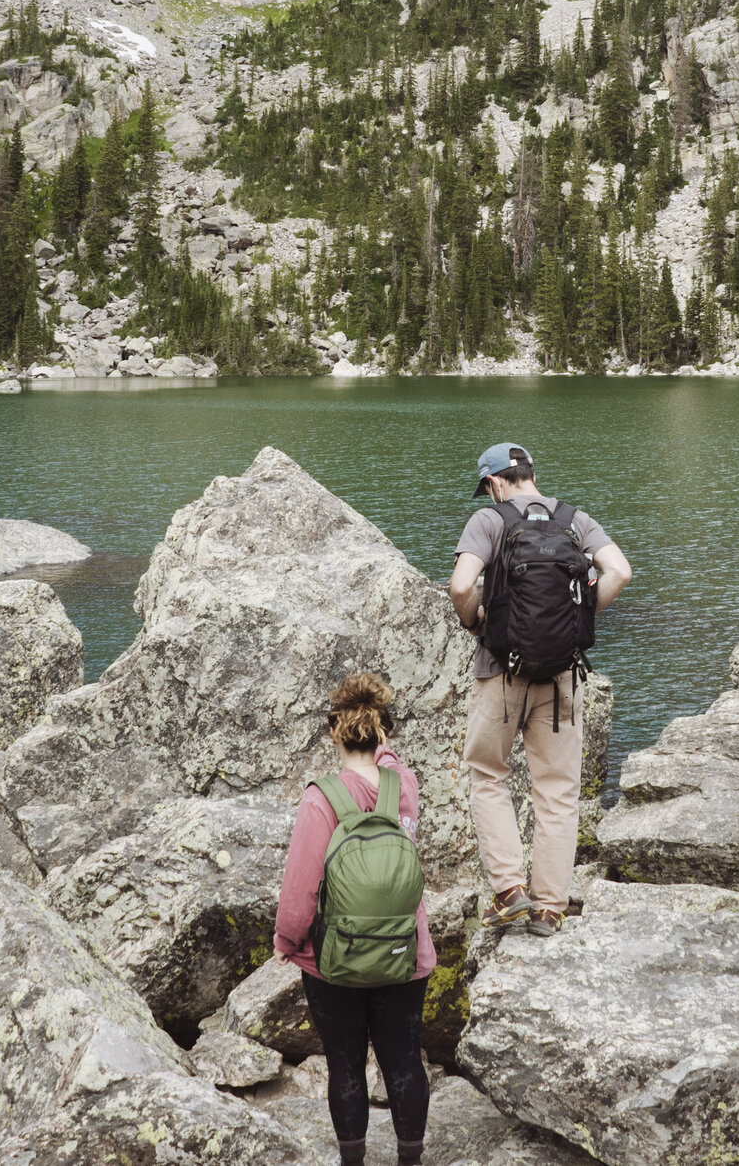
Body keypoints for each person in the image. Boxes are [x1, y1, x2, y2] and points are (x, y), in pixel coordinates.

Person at [446, 442, 631, 935]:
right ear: (530, 473)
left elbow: (462, 586)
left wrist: (478, 623)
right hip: (562, 675)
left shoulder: (490, 521)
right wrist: (581, 616)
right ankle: (550, 906)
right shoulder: (575, 520)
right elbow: (620, 572)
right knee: (558, 790)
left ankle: (509, 890)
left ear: (494, 482)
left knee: (489, 775)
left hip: (500, 670)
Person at [272, 672, 435, 1166]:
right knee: (403, 1058)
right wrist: (384, 750)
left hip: (334, 960)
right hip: (403, 950)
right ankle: (410, 1159)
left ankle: (354, 1162)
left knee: (345, 1062)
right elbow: (392, 764)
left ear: (332, 732)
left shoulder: (321, 797)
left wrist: (286, 941)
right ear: (383, 731)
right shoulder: (403, 786)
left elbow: (301, 885)